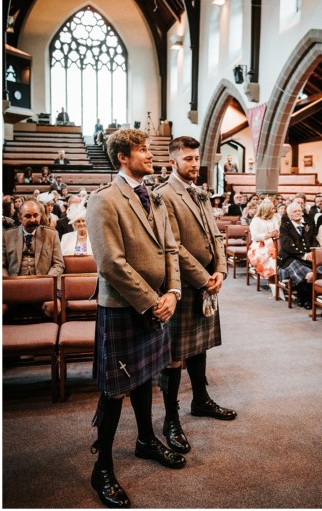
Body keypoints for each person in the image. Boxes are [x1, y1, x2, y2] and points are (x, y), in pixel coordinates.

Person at [86, 128, 184, 509]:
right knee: (116, 389)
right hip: (124, 307)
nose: (149, 154)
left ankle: (145, 441)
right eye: (142, 149)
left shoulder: (156, 198)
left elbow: (171, 250)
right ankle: (103, 468)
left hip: (160, 302)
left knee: (146, 378)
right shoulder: (104, 200)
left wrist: (173, 293)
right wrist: (151, 300)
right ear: (123, 157)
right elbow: (110, 262)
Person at [156, 135, 237, 459]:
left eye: (196, 158)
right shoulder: (164, 194)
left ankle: (200, 400)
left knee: (200, 345)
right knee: (175, 354)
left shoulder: (201, 192)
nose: (194, 164)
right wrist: (204, 279)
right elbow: (173, 246)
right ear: (173, 161)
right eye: (188, 158)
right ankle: (171, 418)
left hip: (207, 282)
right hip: (184, 285)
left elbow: (215, 234)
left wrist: (221, 269)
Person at [277, 201, 322, 310]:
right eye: (295, 211)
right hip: (290, 258)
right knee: (310, 275)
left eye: (299, 211)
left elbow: (313, 240)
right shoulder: (285, 227)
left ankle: (318, 298)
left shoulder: (307, 224)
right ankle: (306, 299)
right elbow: (287, 245)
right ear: (289, 215)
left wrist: (315, 251)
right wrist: (304, 255)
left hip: (309, 255)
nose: (298, 213)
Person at [2, 200, 64, 276]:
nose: (32, 219)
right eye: (28, 216)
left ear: (40, 216)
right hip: (15, 283)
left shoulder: (52, 235)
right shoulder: (7, 236)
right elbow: (2, 266)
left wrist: (48, 280)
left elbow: (59, 264)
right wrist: (8, 282)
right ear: (20, 217)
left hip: (43, 283)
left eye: (35, 215)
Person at [248, 197, 280, 280]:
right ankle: (271, 277)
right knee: (271, 254)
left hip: (274, 242)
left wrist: (276, 233)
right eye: (272, 208)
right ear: (267, 210)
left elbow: (277, 230)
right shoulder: (256, 220)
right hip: (259, 244)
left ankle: (280, 277)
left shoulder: (274, 218)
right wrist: (267, 236)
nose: (274, 210)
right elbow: (255, 236)